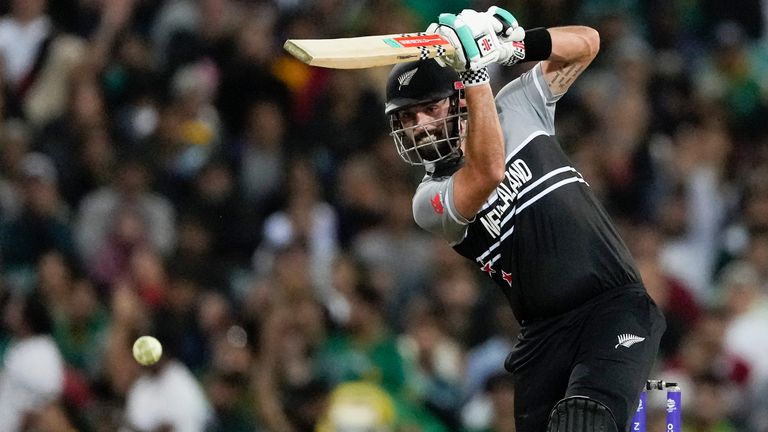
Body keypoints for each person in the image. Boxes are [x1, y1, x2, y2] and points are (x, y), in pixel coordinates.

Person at [383, 6, 666, 432]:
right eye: (406, 117)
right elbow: (487, 172)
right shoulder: (428, 201)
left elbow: (587, 43)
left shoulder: (517, 106)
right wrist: (477, 72)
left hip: (613, 306)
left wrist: (512, 45)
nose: (419, 125)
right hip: (542, 339)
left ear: (457, 99)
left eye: (428, 108)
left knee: (583, 421)